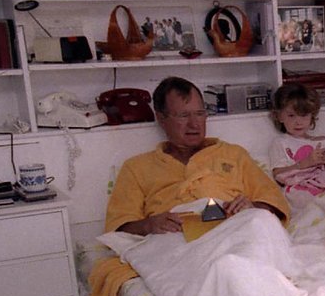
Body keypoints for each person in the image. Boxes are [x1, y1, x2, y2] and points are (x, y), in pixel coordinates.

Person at [105, 76, 290, 236]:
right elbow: (118, 230)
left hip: (235, 232)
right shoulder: (136, 167)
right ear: (161, 118)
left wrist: (252, 207)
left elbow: (275, 204)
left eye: (200, 114)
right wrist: (149, 224)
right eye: (183, 115)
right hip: (174, 242)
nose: (194, 124)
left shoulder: (234, 154)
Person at [268, 83, 325, 197]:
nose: (298, 122)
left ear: (312, 115)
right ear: (279, 116)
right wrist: (304, 164)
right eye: (291, 116)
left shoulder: (323, 142)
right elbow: (278, 174)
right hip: (301, 190)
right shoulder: (281, 142)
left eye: (304, 115)